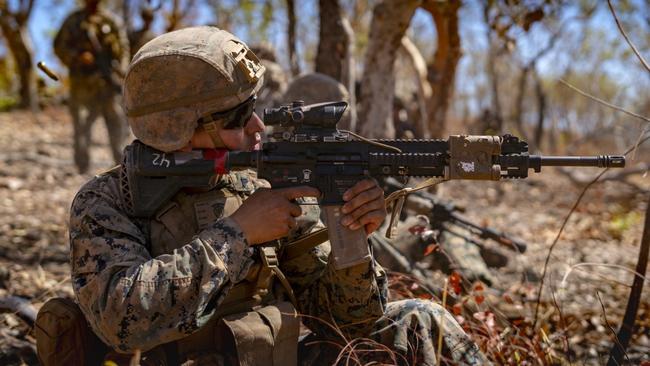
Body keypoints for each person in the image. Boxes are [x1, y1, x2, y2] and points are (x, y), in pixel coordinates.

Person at [37, 26, 488, 365]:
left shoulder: (257, 185)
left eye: (256, 110)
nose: (257, 128)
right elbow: (121, 319)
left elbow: (352, 325)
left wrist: (352, 241)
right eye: (237, 117)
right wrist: (237, 234)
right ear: (179, 128)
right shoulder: (107, 202)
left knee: (416, 321)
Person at [53, 0, 128, 174]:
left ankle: (121, 165)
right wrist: (77, 57)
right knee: (81, 126)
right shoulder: (73, 20)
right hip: (82, 85)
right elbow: (59, 46)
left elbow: (123, 48)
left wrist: (120, 71)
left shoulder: (111, 21)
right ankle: (82, 167)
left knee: (116, 122)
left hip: (107, 84)